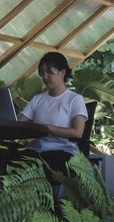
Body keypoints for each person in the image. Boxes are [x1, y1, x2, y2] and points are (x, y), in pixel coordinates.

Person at [20, 52, 89, 180]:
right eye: (42, 73)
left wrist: (46, 127)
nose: (45, 76)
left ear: (62, 73)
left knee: (39, 171)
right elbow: (20, 123)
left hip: (63, 152)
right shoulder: (37, 99)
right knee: (13, 165)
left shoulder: (74, 100)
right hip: (36, 150)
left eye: (50, 72)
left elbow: (78, 132)